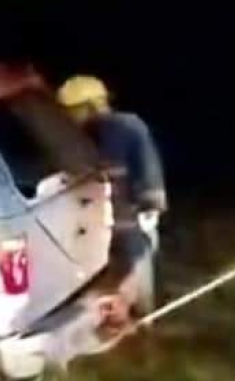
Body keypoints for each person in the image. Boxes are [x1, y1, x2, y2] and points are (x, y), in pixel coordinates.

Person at [57, 75, 168, 311]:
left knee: (136, 272)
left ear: (92, 105)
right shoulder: (82, 135)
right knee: (104, 281)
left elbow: (148, 165)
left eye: (75, 110)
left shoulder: (127, 127)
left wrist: (150, 206)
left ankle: (143, 323)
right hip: (100, 219)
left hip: (132, 218)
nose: (70, 117)